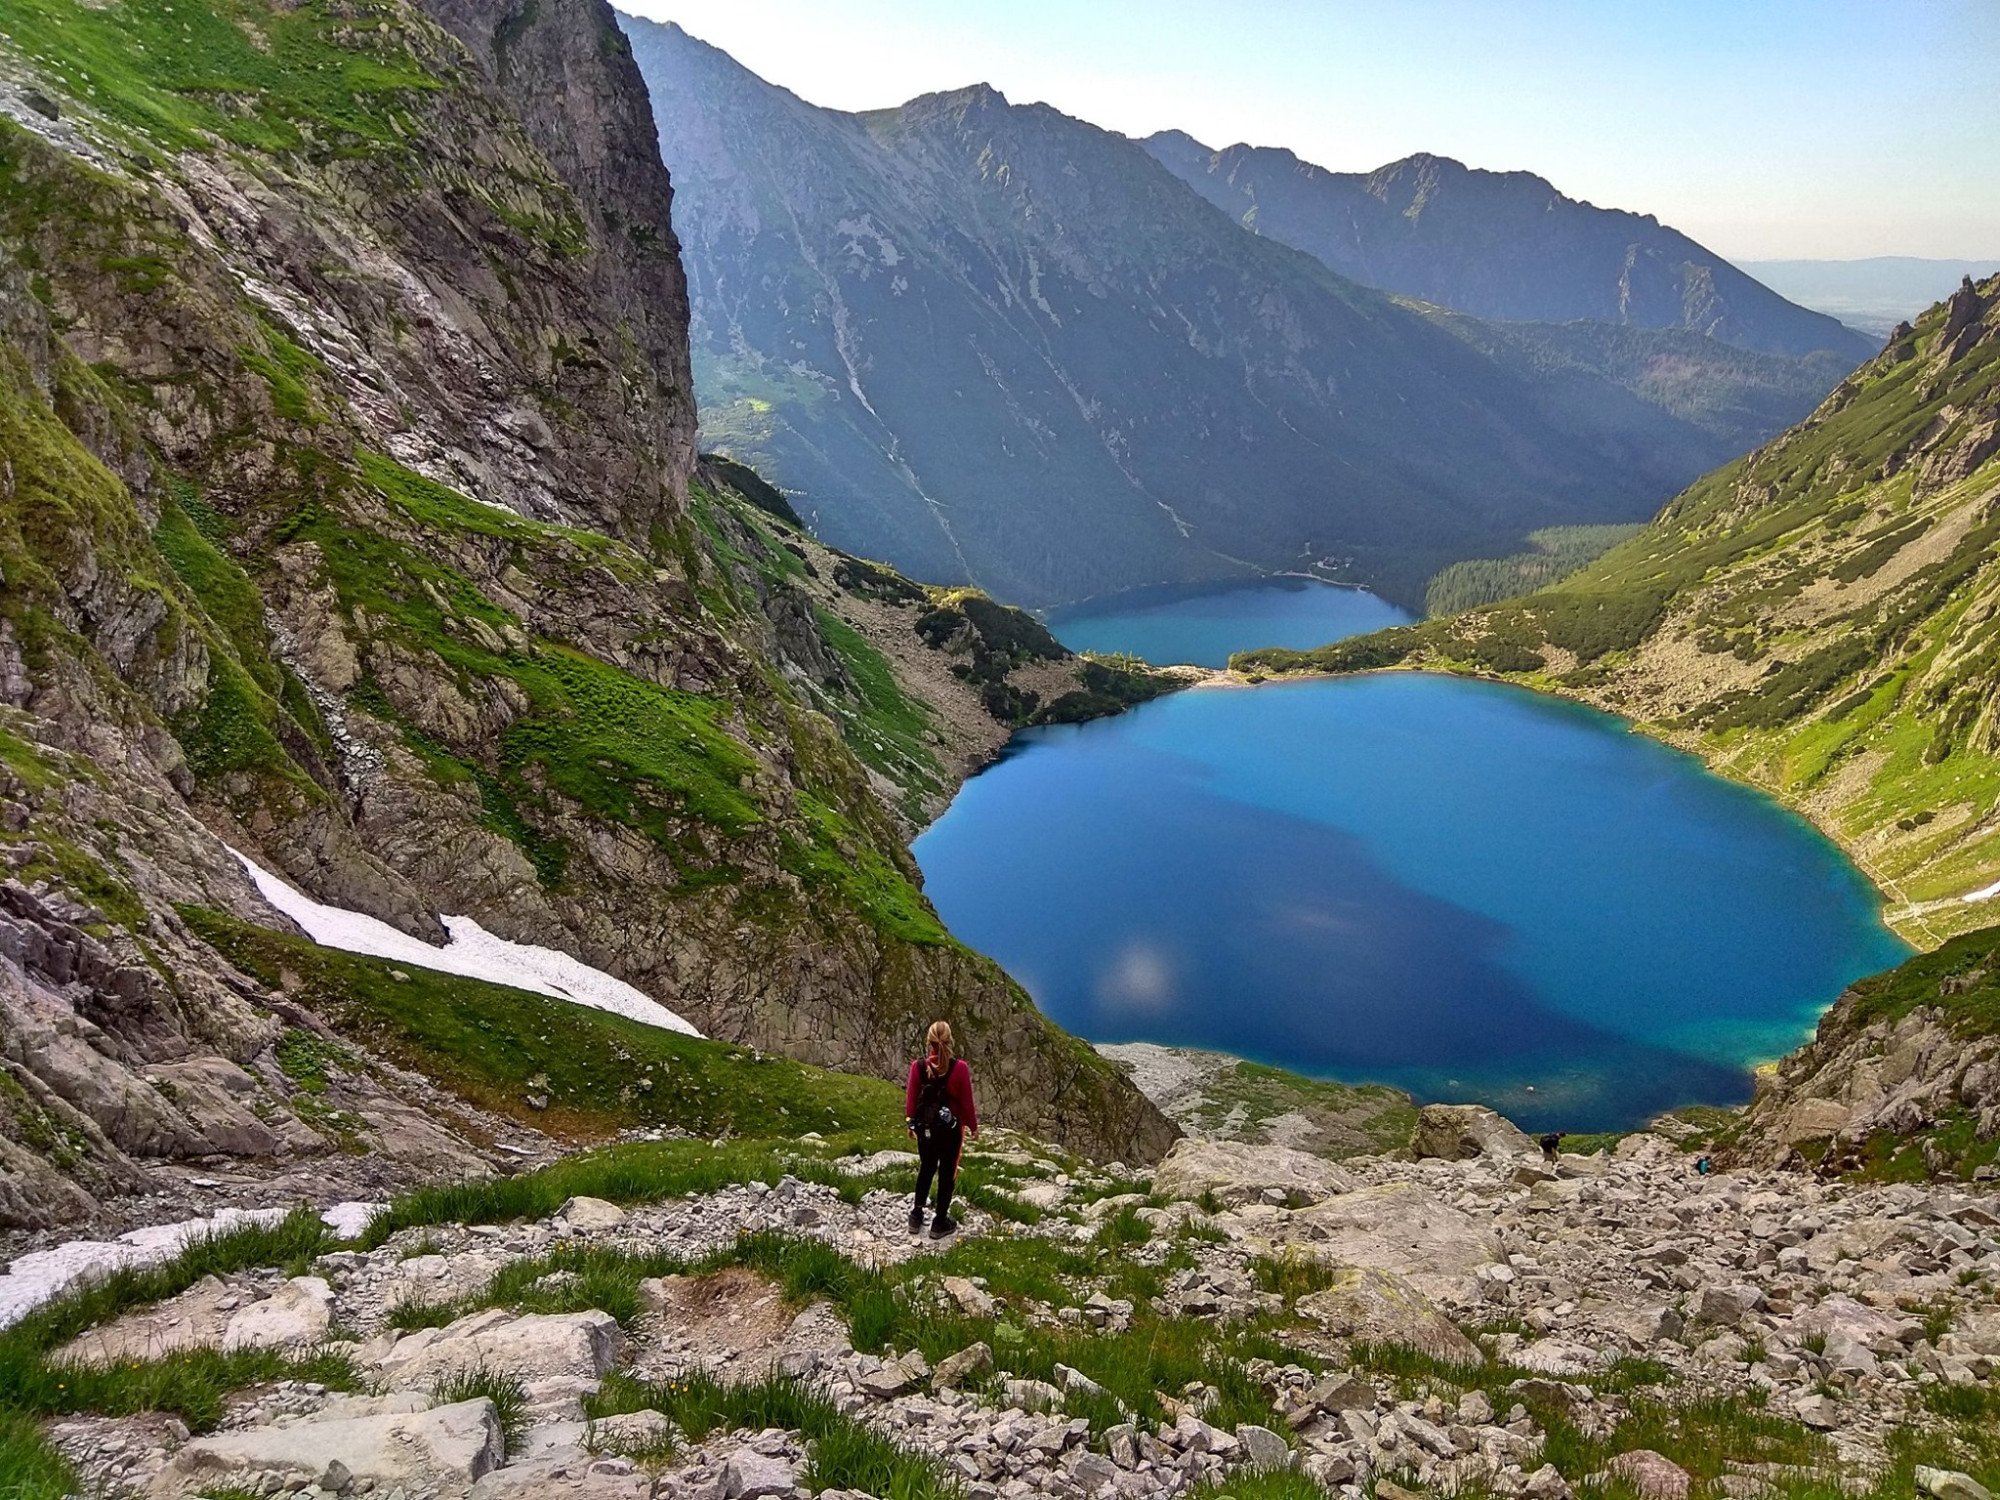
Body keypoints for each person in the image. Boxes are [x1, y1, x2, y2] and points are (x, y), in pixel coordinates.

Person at [906, 1020, 977, 1238]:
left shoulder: (918, 1067)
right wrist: (973, 1127)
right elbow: (966, 1103)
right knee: (947, 1173)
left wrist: (911, 1124)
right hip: (950, 1132)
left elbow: (911, 1100)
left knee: (926, 1167)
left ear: (929, 1043)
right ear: (950, 1040)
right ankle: (939, 1222)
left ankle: (916, 1216)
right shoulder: (960, 1068)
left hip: (925, 1129)